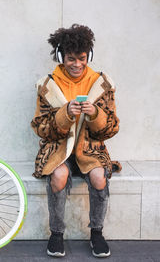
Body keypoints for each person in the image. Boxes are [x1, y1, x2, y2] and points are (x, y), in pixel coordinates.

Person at [30, 24, 121, 258]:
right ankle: (56, 234)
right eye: (71, 58)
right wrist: (65, 113)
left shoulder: (101, 84)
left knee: (99, 177)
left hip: (90, 151)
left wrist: (94, 115)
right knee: (59, 176)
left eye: (81, 58)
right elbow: (41, 128)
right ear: (61, 57)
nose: (77, 64)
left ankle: (97, 233)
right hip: (57, 150)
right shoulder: (48, 85)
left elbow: (111, 128)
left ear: (88, 56)